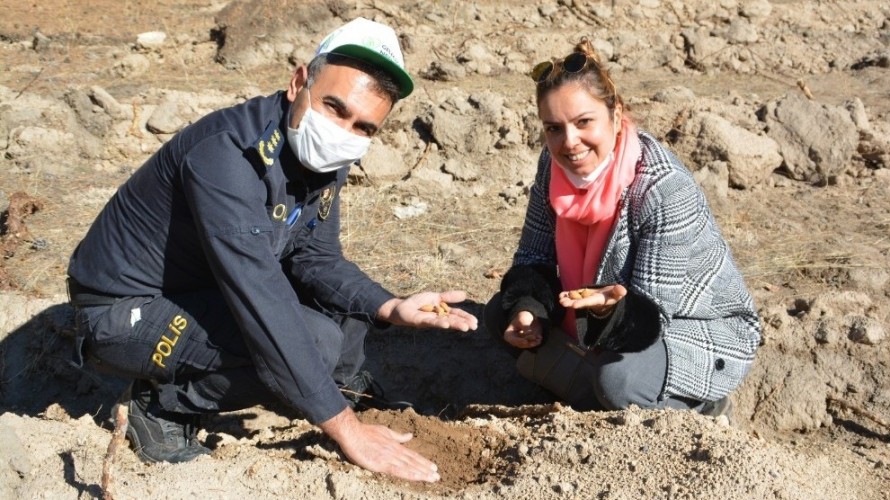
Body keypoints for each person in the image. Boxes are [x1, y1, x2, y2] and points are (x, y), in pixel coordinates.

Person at [66, 18, 477, 483]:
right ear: (299, 82)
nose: (343, 131)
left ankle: (335, 386)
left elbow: (316, 260)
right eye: (334, 107)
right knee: (314, 342)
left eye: (364, 126)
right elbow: (260, 297)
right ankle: (164, 407)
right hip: (122, 311)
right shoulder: (227, 154)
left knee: (346, 305)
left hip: (205, 286)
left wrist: (392, 306)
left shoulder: (321, 155)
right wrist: (346, 429)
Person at [482, 37, 760, 416]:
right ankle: (592, 396)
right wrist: (527, 311)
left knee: (617, 379)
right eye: (554, 129)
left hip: (694, 327)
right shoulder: (552, 166)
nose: (570, 142)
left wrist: (604, 313)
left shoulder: (662, 188)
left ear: (615, 116)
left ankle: (702, 409)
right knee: (500, 314)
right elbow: (534, 256)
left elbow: (653, 314)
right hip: (605, 314)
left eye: (583, 122)